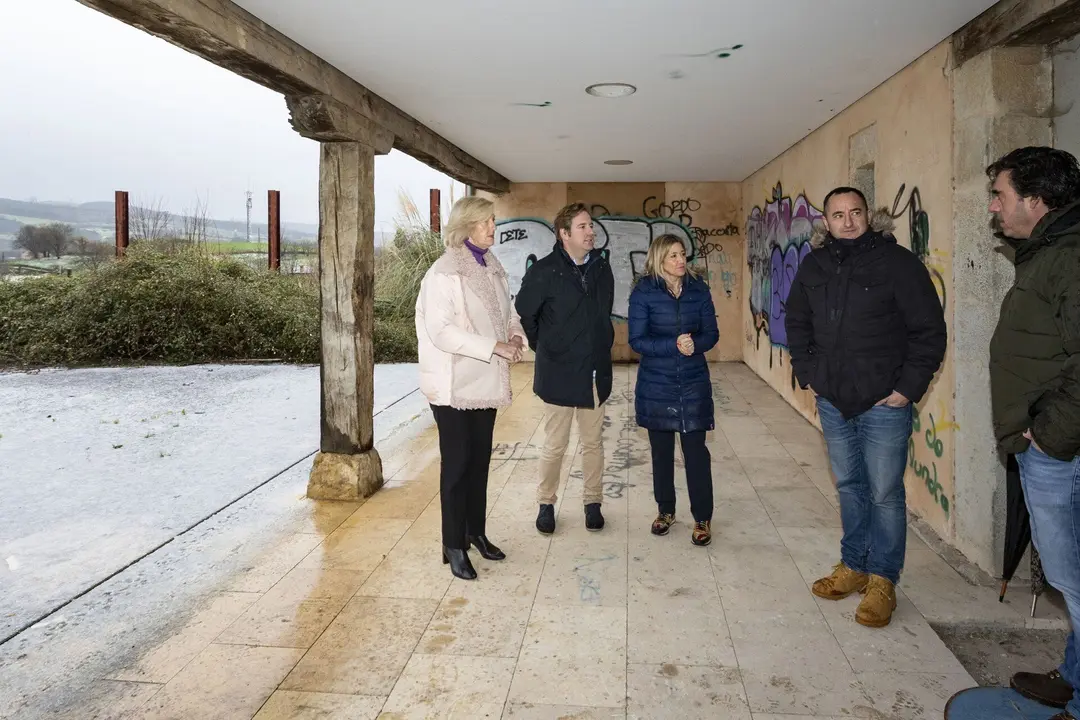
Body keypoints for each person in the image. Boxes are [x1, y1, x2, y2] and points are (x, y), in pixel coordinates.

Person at [785, 186, 946, 628]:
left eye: (855, 212)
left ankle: (882, 580)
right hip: (835, 402)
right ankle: (854, 565)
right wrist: (811, 374)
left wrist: (907, 389)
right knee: (850, 486)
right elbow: (796, 321)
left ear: (868, 216)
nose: (848, 221)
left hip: (883, 402)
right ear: (827, 222)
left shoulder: (898, 264)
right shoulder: (814, 264)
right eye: (838, 215)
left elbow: (929, 331)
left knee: (884, 492)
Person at [985, 146, 1080, 720]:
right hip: (1048, 445)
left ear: (1036, 201)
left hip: (1059, 450)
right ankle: (1072, 677)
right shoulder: (1048, 253)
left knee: (1072, 575)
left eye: (1001, 195)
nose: (995, 208)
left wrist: (1050, 437)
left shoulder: (1069, 258)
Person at [415, 196, 527, 580]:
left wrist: (514, 333)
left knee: (479, 461)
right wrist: (493, 346)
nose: (492, 227)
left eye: (493, 220)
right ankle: (452, 545)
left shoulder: (493, 267)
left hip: (485, 380)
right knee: (458, 465)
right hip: (453, 385)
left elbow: (509, 312)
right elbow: (441, 332)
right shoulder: (444, 272)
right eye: (485, 222)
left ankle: (475, 531)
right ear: (465, 227)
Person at [515, 203, 615, 534]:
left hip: (594, 374)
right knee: (555, 444)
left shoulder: (602, 269)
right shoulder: (544, 272)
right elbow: (525, 314)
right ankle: (546, 503)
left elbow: (603, 314)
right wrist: (545, 346)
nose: (591, 232)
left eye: (591, 226)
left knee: (593, 443)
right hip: (558, 371)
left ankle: (592, 502)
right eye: (584, 226)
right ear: (565, 233)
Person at [628, 234, 719, 546]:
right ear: (659, 260)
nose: (681, 261)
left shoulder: (699, 290)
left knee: (696, 452)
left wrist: (695, 345)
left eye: (682, 254)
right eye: (673, 256)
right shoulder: (643, 292)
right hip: (657, 384)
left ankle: (702, 517)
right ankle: (665, 510)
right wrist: (673, 345)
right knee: (661, 453)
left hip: (693, 381)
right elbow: (637, 341)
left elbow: (712, 333)